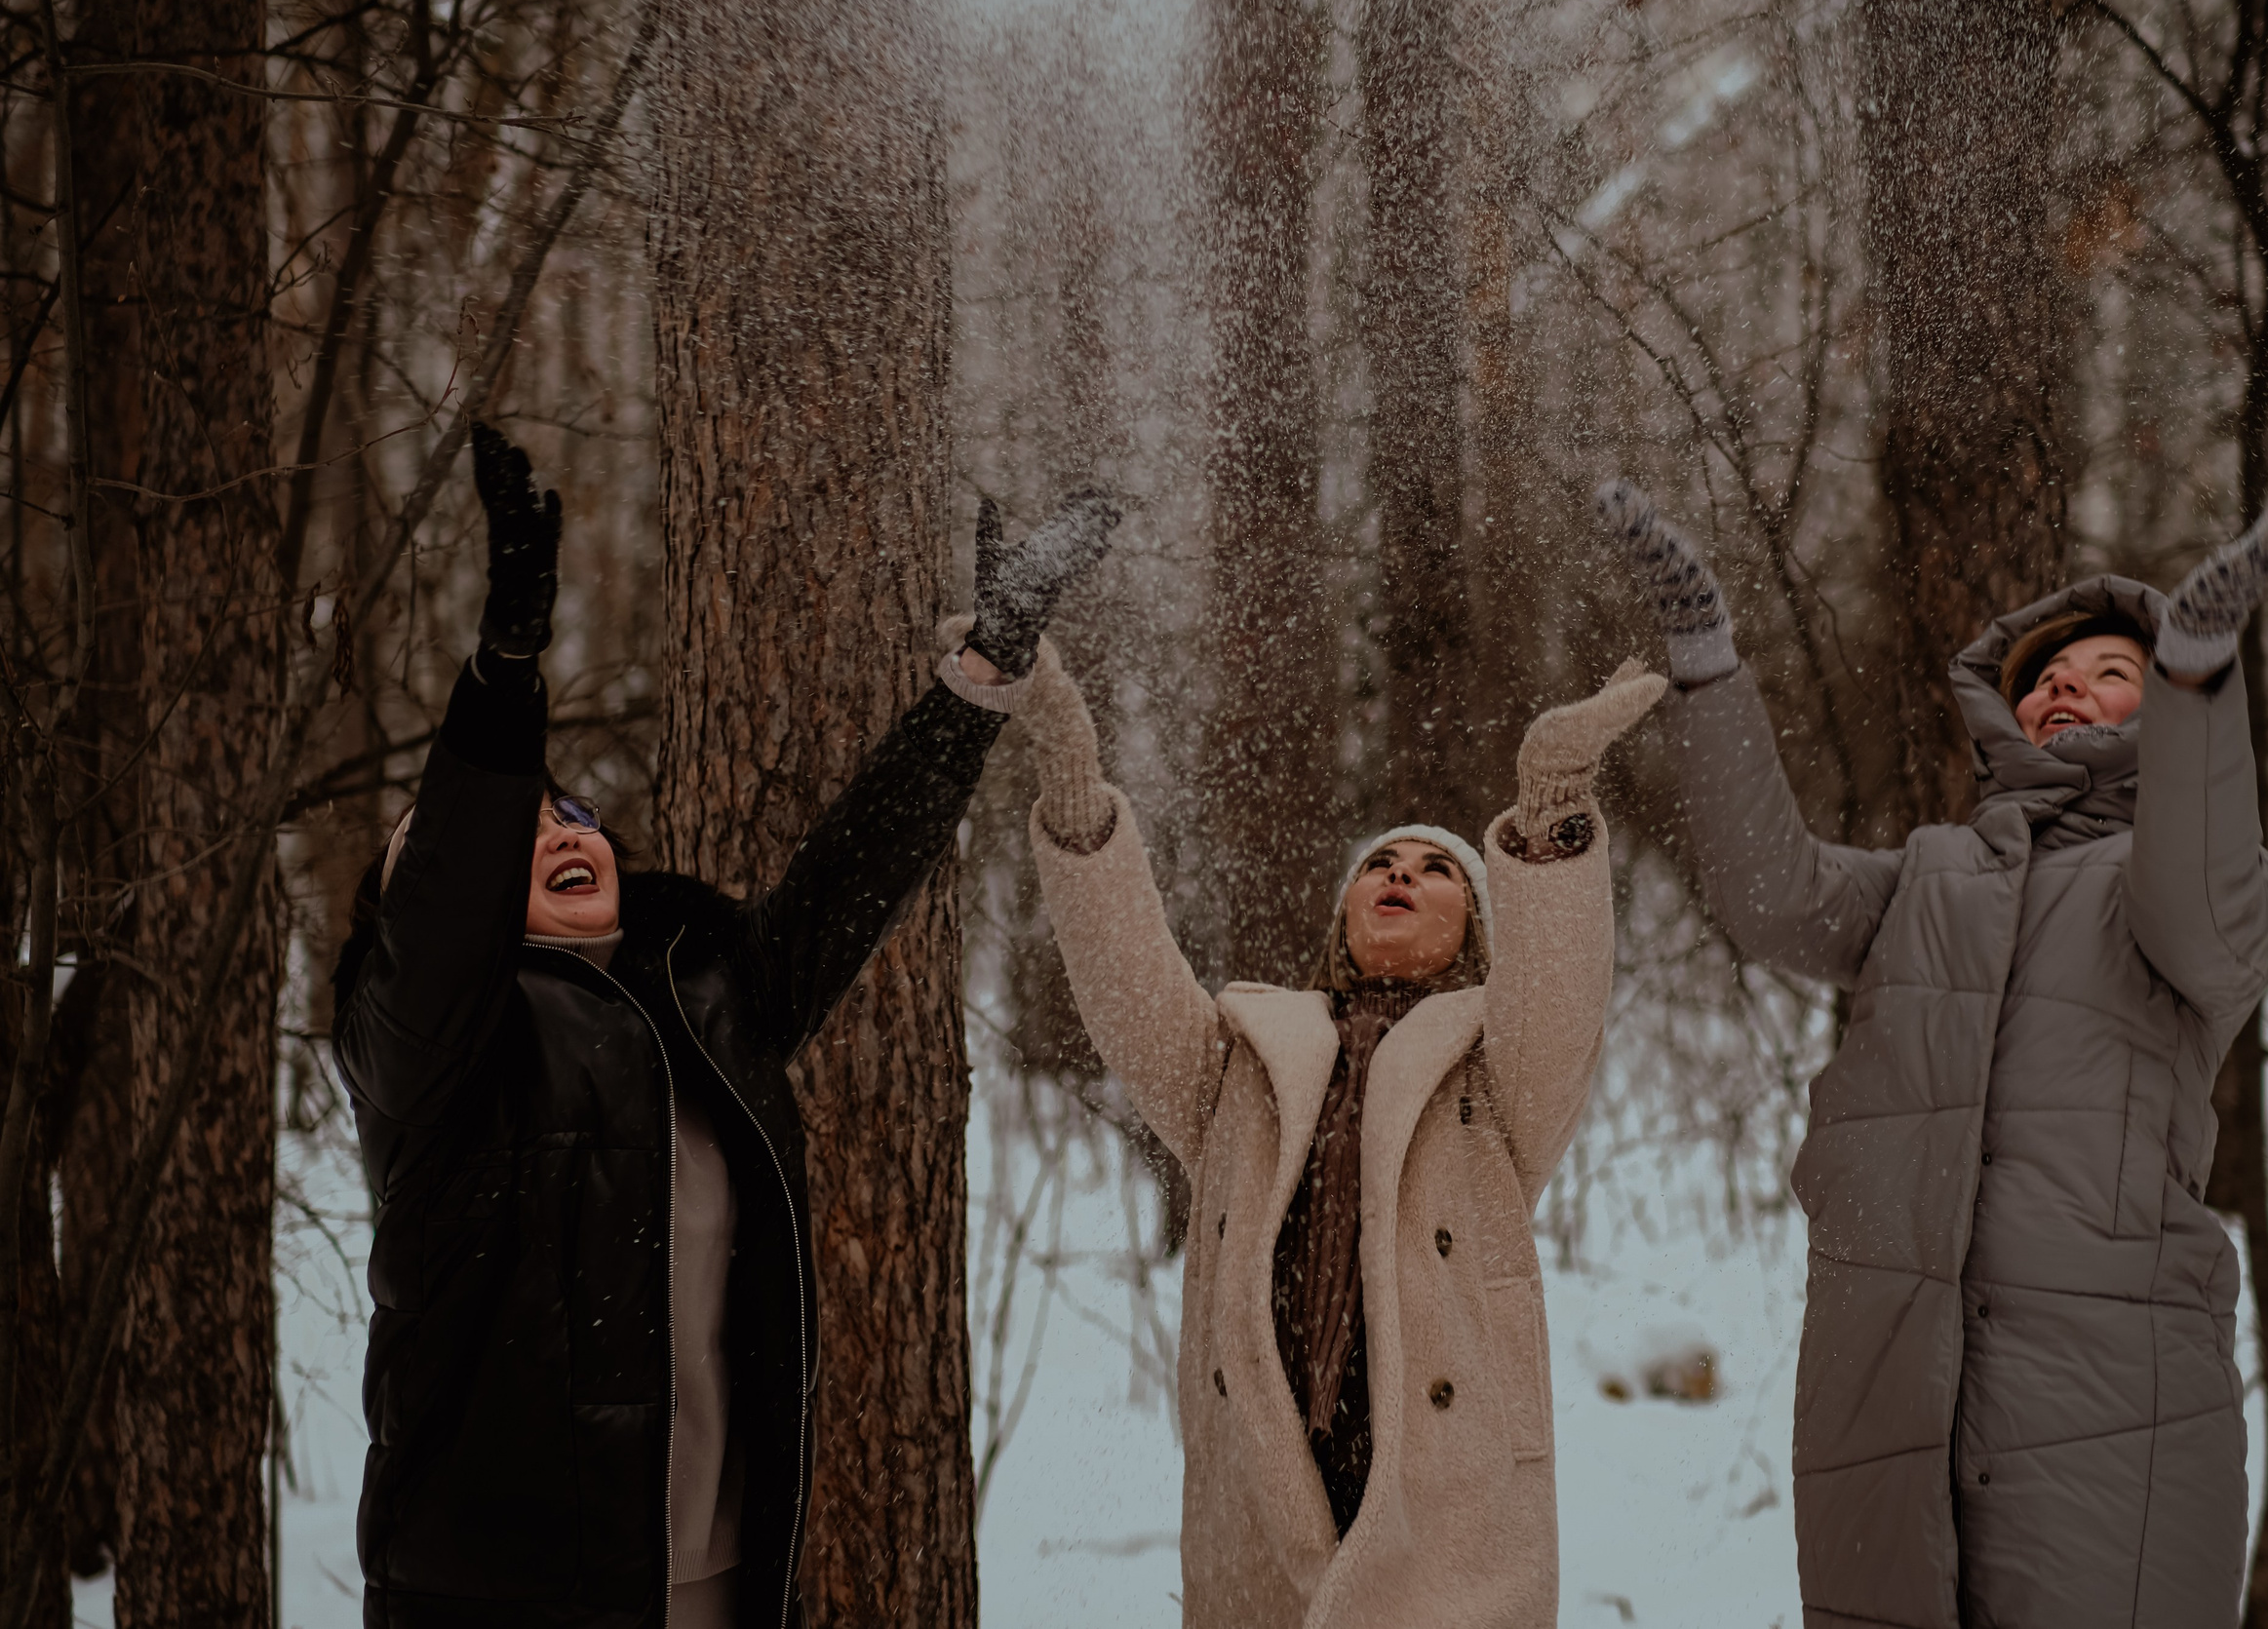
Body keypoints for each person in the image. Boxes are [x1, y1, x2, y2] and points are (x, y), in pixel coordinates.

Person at [330, 423, 1116, 1629]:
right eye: (513, 827)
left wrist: (986, 671)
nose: (558, 829)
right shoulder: (430, 1053)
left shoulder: (702, 997)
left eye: (573, 811)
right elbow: (437, 909)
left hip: (713, 1589)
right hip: (495, 1598)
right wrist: (504, 672)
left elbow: (854, 875)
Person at [1592, 479, 2268, 1629]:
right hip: (1890, 1404)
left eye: (2107, 672)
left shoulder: (2209, 891)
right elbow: (1770, 896)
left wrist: (2194, 673)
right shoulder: (1926, 880)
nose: (2062, 686)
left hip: (2109, 1407)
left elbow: (2196, 885)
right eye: (2042, 680)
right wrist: (1704, 659)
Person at [1013, 628, 1667, 1628]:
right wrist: (1069, 775)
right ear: (1345, 915)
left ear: (1476, 932)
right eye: (1380, 865)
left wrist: (1552, 793)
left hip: (1441, 1503)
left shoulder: (1497, 1073)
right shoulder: (1240, 1060)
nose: (1399, 874)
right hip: (1267, 1499)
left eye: (1434, 871)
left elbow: (1560, 988)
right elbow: (1126, 978)